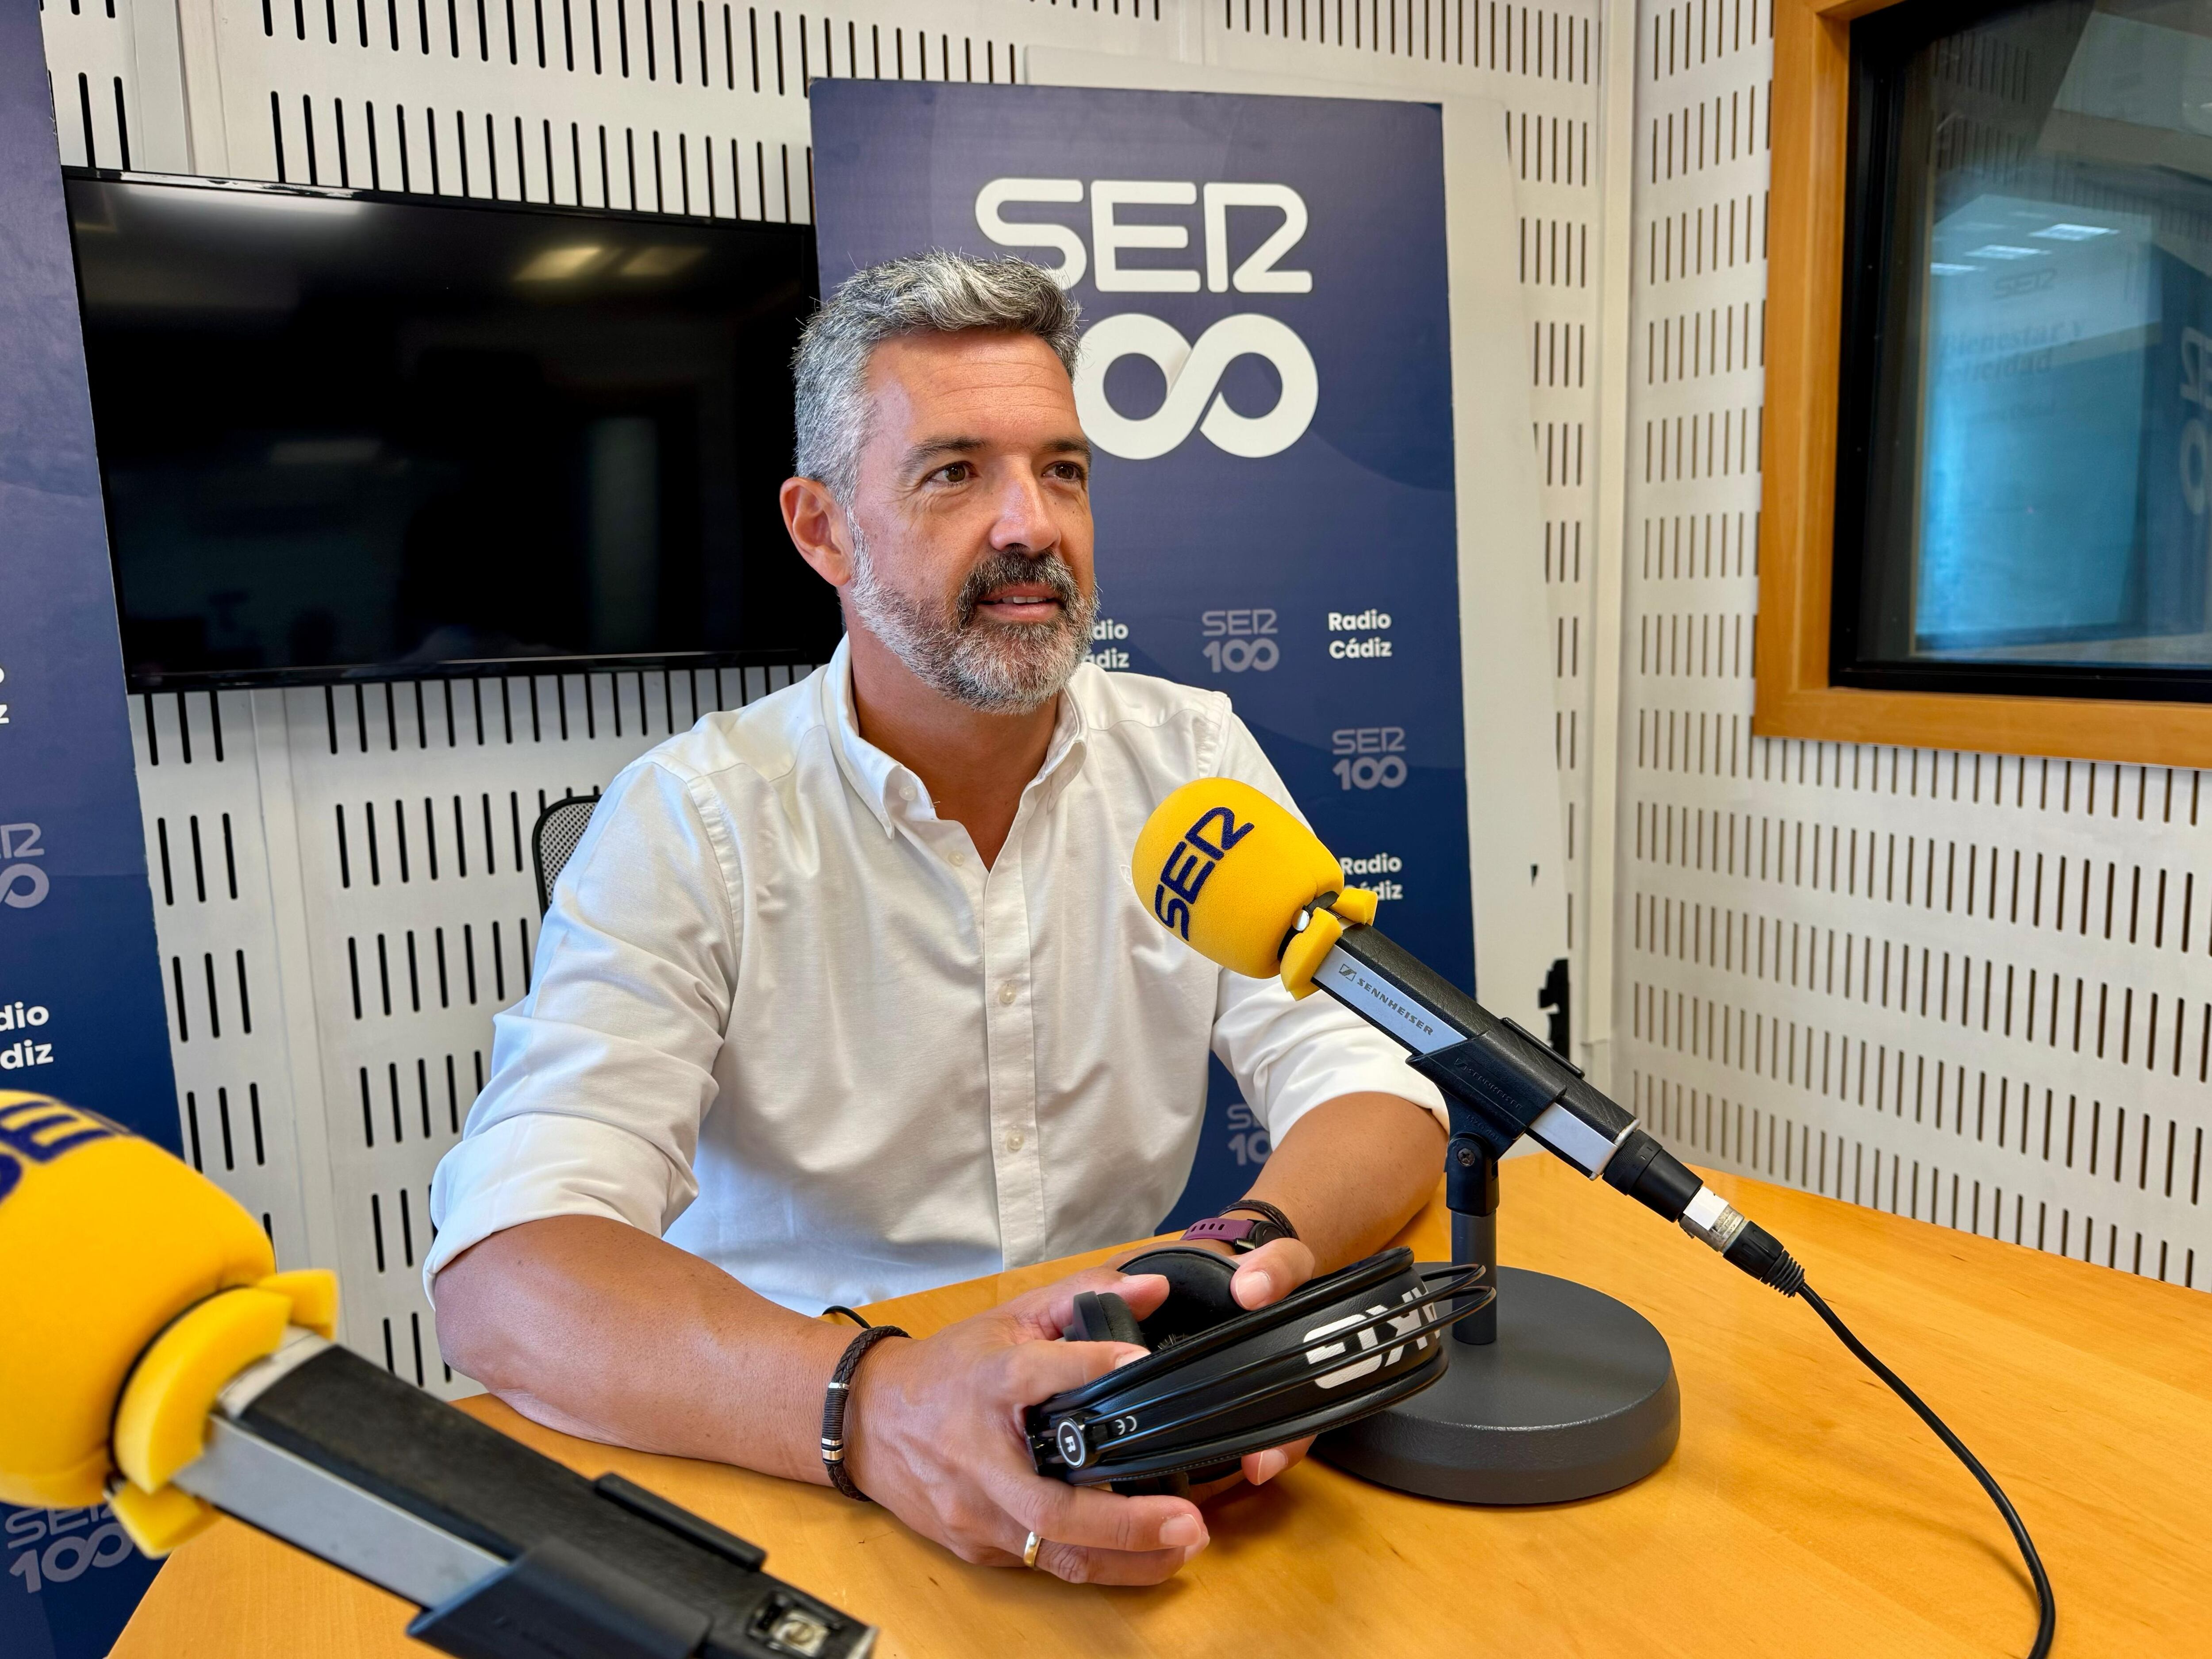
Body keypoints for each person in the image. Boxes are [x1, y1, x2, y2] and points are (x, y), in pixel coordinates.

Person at [426, 251, 1448, 1586]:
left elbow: (1370, 1078)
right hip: (804, 1460)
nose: (1032, 524)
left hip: (1120, 1429)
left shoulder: (1195, 760)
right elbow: (506, 1271)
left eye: (1064, 470)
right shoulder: (690, 819)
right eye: (956, 471)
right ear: (821, 529)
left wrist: (1235, 1272)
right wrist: (879, 1404)